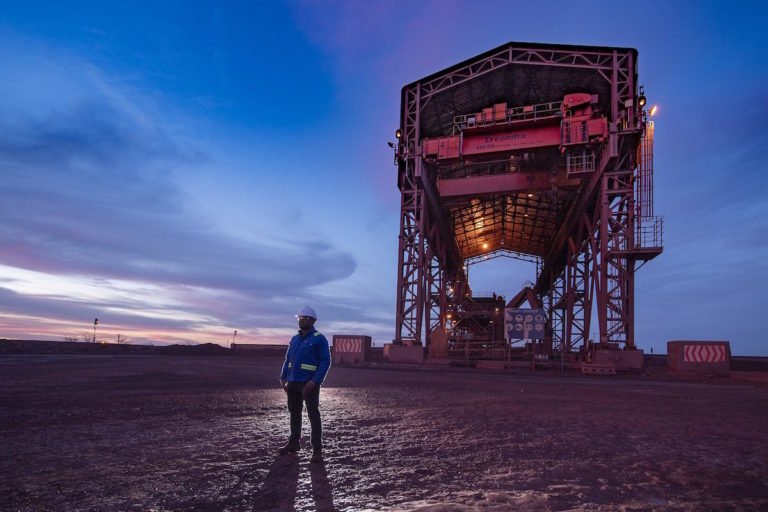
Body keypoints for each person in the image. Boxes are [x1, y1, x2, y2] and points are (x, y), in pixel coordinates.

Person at [278, 306, 331, 463]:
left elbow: (325, 362)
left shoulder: (319, 339)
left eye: (305, 318)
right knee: (294, 413)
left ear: (313, 320)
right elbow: (288, 360)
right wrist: (283, 377)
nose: (301, 320)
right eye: (300, 318)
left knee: (313, 415)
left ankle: (317, 450)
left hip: (309, 384)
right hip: (293, 382)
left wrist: (314, 382)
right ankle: (294, 443)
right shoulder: (295, 339)